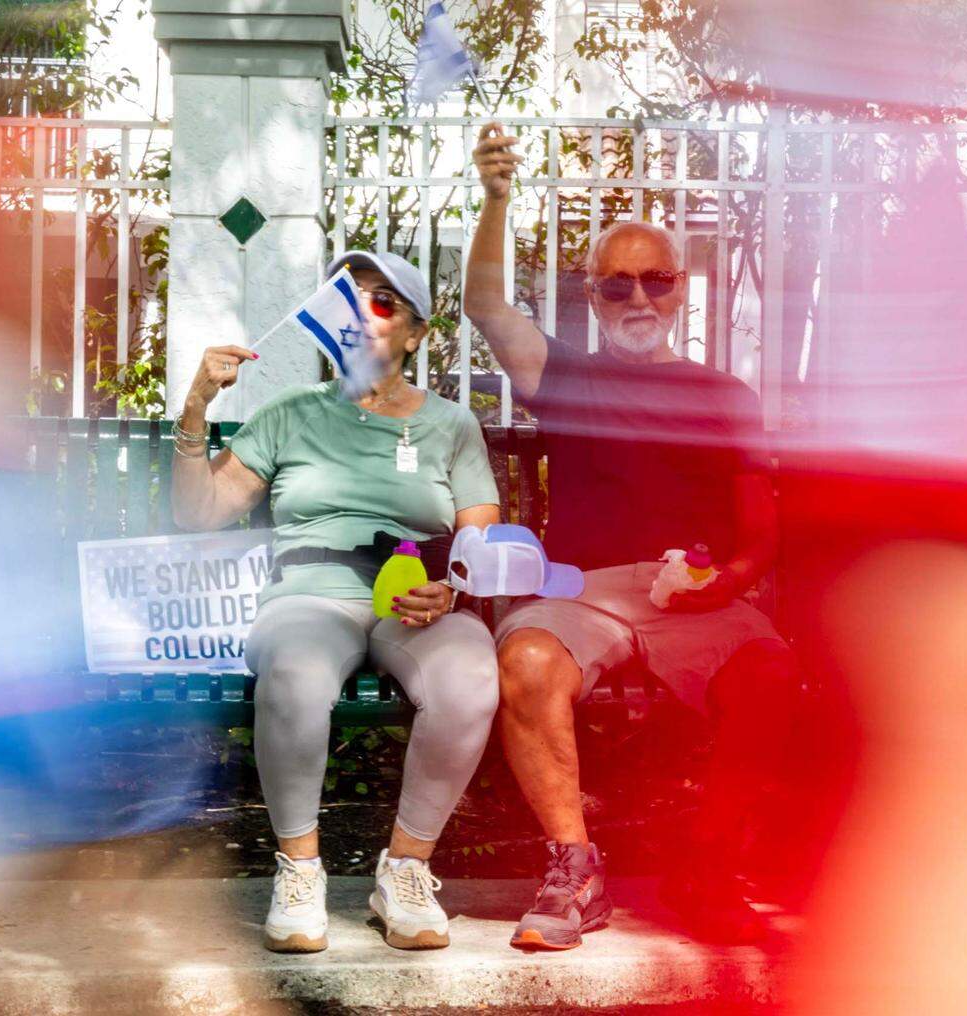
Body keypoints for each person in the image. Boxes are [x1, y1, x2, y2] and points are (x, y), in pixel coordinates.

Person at [464, 123, 801, 949]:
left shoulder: (725, 394)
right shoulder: (566, 374)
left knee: (772, 674)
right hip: (584, 591)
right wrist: (497, 200)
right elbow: (483, 306)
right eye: (618, 287)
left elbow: (759, 532)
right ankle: (575, 871)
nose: (638, 300)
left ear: (680, 289)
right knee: (526, 661)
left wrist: (727, 581)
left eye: (654, 282)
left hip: (696, 594)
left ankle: (708, 868)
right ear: (591, 295)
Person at [171, 250, 501, 953]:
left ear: (415, 334)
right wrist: (197, 407)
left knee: (471, 676)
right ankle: (299, 871)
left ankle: (406, 872)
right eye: (347, 300)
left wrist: (452, 588)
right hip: (311, 593)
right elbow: (200, 513)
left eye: (382, 304)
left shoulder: (450, 425)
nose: (359, 317)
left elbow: (478, 532)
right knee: (292, 670)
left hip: (414, 597)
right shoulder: (291, 415)